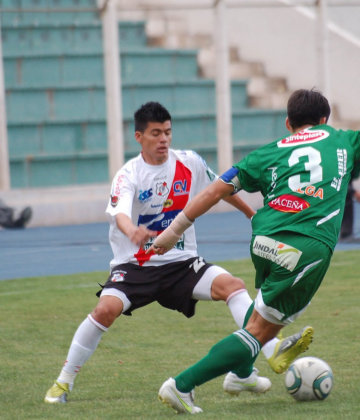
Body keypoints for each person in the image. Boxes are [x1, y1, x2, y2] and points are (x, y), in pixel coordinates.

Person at [149, 89, 360, 414]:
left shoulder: (268, 152)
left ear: (289, 123)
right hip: (305, 248)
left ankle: (241, 374)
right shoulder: (344, 138)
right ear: (324, 120)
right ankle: (181, 386)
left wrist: (171, 233)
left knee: (262, 317)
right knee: (260, 331)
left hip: (263, 241)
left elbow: (215, 190)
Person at [44, 101, 312, 404]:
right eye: (156, 133)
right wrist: (133, 231)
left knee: (233, 287)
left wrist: (253, 216)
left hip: (181, 263)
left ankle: (259, 359)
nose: (164, 140)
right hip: (136, 265)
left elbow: (222, 188)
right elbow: (119, 214)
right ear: (139, 137)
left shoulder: (189, 162)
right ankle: (63, 383)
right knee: (105, 310)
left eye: (168, 133)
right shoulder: (128, 174)